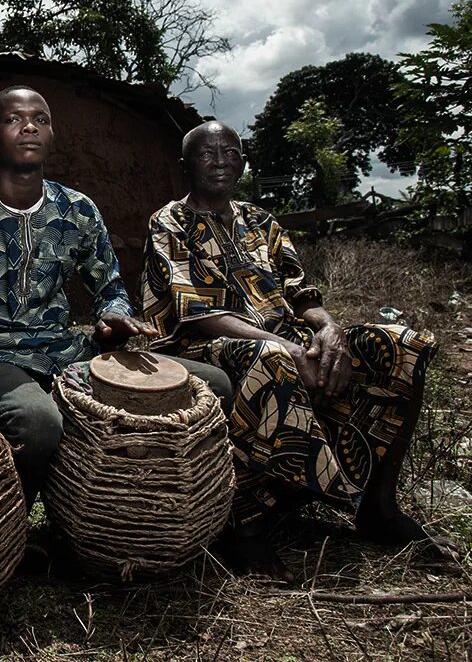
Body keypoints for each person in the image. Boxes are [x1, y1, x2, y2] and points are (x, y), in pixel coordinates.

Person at [0, 85, 231, 506]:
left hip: (65, 350)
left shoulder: (77, 209)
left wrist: (113, 317)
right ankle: (12, 522)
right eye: (14, 119)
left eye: (41, 119)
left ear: (51, 135)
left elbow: (110, 288)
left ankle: (125, 511)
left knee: (210, 383)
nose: (30, 126)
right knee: (37, 421)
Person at [142, 120, 455, 577]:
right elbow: (200, 315)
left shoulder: (260, 221)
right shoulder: (169, 222)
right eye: (207, 153)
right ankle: (247, 526)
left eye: (230, 152)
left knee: (400, 344)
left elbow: (302, 293)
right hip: (199, 346)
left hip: (282, 336)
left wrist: (329, 332)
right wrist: (289, 347)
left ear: (243, 161)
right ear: (184, 164)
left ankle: (377, 507)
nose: (220, 161)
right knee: (269, 360)